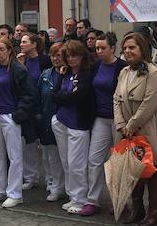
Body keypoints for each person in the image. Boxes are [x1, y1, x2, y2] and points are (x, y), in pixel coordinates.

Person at [114, 32, 157, 226]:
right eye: (125, 48)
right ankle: (137, 209)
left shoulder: (153, 73)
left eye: (132, 47)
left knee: (151, 169)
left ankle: (154, 213)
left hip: (147, 128)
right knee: (132, 168)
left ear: (142, 49)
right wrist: (121, 125)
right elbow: (116, 99)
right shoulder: (124, 72)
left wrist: (131, 126)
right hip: (127, 129)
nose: (127, 51)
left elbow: (149, 103)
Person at [0, 38, 36, 208]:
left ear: (9, 51)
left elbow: (29, 95)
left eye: (1, 49)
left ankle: (15, 193)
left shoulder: (18, 69)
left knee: (15, 156)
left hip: (9, 116)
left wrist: (18, 115)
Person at [51, 41, 97, 216]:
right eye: (68, 56)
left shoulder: (86, 74)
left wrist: (65, 96)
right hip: (62, 120)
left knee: (76, 163)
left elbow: (80, 96)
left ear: (82, 56)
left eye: (74, 55)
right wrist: (66, 96)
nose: (71, 59)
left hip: (78, 123)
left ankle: (81, 198)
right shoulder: (65, 73)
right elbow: (54, 94)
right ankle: (73, 195)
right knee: (66, 162)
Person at [87, 33, 127, 213]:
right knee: (94, 159)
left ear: (112, 48)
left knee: (118, 162)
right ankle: (92, 200)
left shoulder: (122, 67)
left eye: (103, 48)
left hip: (119, 120)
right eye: (97, 48)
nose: (99, 51)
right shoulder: (95, 66)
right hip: (100, 118)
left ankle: (120, 201)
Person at [17, 33, 52, 191]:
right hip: (27, 107)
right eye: (21, 42)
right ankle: (30, 177)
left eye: (25, 42)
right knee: (28, 143)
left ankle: (50, 179)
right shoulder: (20, 61)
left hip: (42, 106)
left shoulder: (44, 60)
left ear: (34, 44)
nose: (21, 44)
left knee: (46, 145)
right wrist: (21, 64)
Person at [37, 46, 65, 201]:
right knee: (50, 155)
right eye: (53, 55)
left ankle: (61, 186)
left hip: (64, 119)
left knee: (64, 157)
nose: (55, 59)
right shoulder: (46, 74)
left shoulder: (69, 73)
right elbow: (39, 94)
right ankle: (54, 184)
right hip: (47, 118)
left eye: (59, 55)